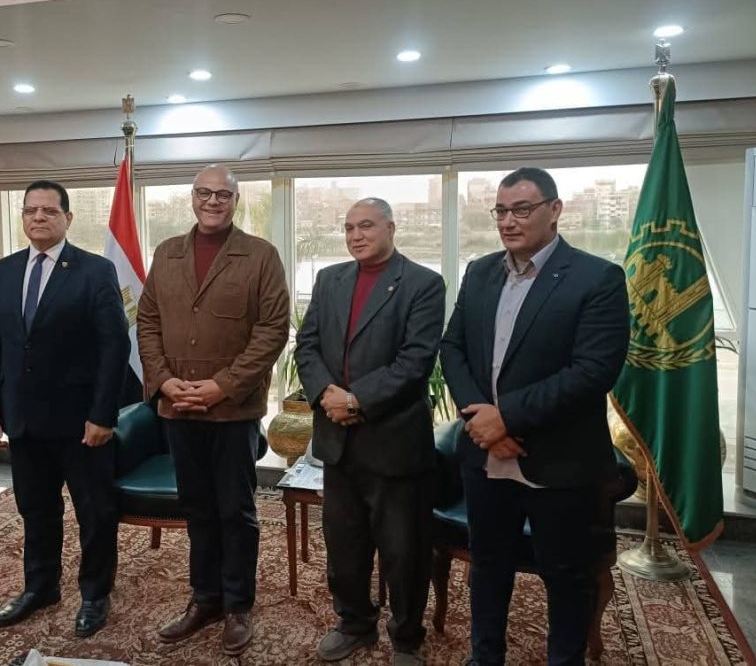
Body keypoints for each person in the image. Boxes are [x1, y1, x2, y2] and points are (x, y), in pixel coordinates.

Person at [439, 167, 630, 666]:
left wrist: (507, 418)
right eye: (501, 211)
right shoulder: (480, 272)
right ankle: (485, 657)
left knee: (566, 576)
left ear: (555, 210)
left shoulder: (598, 278)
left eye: (522, 209)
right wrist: (482, 423)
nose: (509, 221)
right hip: (486, 456)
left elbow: (592, 372)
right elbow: (453, 348)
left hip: (559, 461)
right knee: (488, 566)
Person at [136, 164, 289, 657]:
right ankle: (205, 598)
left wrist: (221, 387)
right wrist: (164, 381)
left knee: (236, 510)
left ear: (236, 201)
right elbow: (147, 321)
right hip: (178, 407)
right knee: (197, 508)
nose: (213, 201)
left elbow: (273, 330)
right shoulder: (167, 252)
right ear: (192, 197)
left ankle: (238, 605)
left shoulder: (261, 255)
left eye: (223, 194)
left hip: (233, 412)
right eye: (204, 193)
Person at [0, 180, 129, 637]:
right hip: (23, 420)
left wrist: (103, 415)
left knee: (94, 514)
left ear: (68, 218)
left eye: (49, 210)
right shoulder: (1, 273)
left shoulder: (95, 271)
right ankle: (40, 587)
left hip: (82, 423)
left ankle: (95, 594)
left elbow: (114, 347)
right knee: (35, 510)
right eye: (30, 211)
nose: (38, 217)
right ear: (22, 217)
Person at [295, 198, 445, 666]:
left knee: (404, 551)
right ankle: (354, 623)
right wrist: (326, 395)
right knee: (344, 545)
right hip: (337, 441)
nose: (356, 236)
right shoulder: (329, 279)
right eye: (348, 228)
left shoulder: (423, 283)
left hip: (394, 442)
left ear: (391, 228)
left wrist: (356, 400)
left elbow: (415, 362)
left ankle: (406, 638)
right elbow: (307, 345)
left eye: (366, 226)